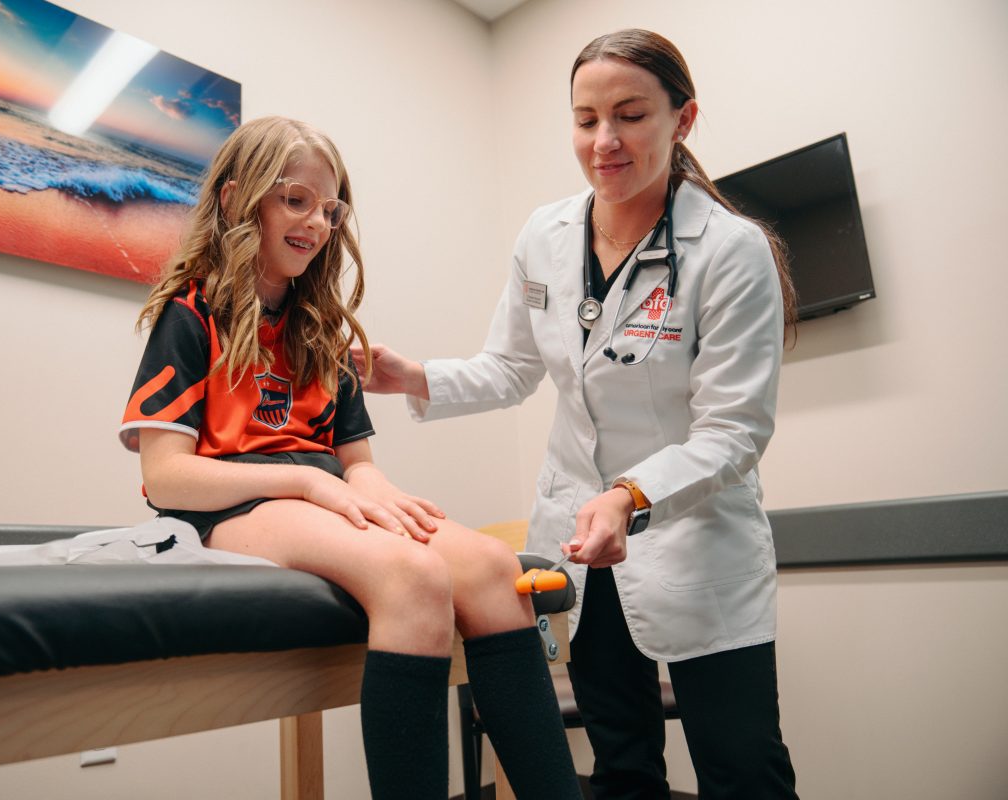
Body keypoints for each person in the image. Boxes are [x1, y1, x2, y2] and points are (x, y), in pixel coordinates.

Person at [355, 30, 799, 800]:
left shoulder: (730, 250)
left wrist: (630, 496)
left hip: (697, 546)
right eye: (585, 118)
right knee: (621, 769)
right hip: (583, 549)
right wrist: (411, 377)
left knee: (743, 769)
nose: (604, 141)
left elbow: (734, 431)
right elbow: (513, 367)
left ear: (682, 119)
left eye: (629, 115)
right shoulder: (546, 235)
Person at [119, 116, 582, 800]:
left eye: (330, 209)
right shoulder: (193, 315)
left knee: (491, 568)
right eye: (295, 200)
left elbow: (355, 460)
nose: (316, 222)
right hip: (231, 506)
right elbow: (164, 475)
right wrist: (311, 484)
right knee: (414, 576)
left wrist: (369, 489)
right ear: (236, 199)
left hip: (318, 495)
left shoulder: (319, 330)